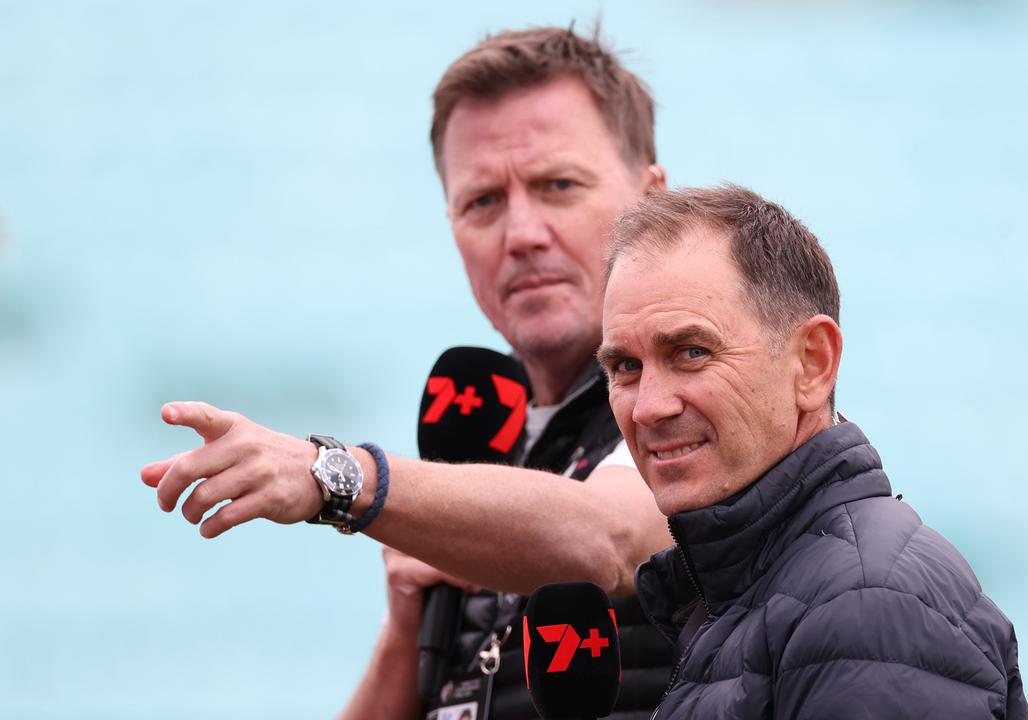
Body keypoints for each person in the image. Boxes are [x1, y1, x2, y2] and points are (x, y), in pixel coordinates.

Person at [139, 27, 674, 720]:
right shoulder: (480, 443)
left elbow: (606, 537)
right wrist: (406, 631)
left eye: (558, 186)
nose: (521, 234)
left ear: (651, 197)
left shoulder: (696, 395)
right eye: (483, 201)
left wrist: (338, 476)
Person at [597, 185, 1028, 719]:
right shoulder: (756, 596)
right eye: (626, 368)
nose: (648, 409)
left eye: (691, 352)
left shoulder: (866, 608)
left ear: (813, 363)